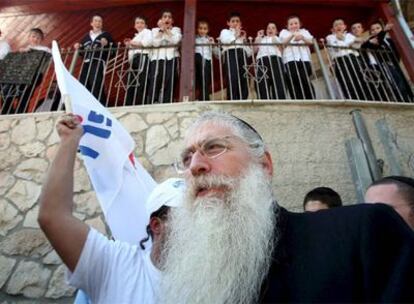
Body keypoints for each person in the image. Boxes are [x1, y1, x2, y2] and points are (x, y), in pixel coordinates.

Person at [159, 111, 414, 303]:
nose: (195, 165)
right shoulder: (192, 278)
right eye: (186, 157)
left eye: (213, 147)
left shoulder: (361, 231)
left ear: (264, 165)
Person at [37, 116, 185, 302]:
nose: (195, 224)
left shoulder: (210, 285)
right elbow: (53, 217)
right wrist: (69, 139)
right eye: (185, 217)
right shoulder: (115, 264)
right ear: (156, 225)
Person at [1, 28, 51, 115]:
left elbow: (49, 58)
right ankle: (8, 112)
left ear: (41, 40)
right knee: (7, 93)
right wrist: (21, 51)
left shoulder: (45, 49)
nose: (35, 39)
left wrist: (30, 51)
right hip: (20, 75)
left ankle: (21, 113)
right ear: (29, 37)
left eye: (38, 38)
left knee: (25, 95)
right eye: (33, 36)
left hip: (35, 74)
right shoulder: (23, 49)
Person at [362, 21, 413, 102]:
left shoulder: (389, 40)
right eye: (373, 30)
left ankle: (410, 99)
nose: (375, 30)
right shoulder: (371, 41)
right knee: (395, 84)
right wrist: (384, 30)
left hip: (394, 64)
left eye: (378, 28)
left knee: (403, 82)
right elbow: (377, 41)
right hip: (384, 65)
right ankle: (401, 100)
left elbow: (396, 51)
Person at [75, 14, 114, 105]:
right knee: (83, 83)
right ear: (91, 23)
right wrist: (78, 47)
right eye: (96, 21)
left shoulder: (106, 35)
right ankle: (86, 104)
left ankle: (100, 104)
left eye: (100, 21)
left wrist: (106, 44)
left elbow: (113, 49)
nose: (98, 23)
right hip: (87, 62)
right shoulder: (86, 37)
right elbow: (82, 53)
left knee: (96, 82)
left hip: (98, 61)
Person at [326, 18, 367, 100]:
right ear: (333, 29)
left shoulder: (349, 35)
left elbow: (357, 45)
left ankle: (364, 97)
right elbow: (336, 48)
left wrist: (345, 40)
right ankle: (352, 99)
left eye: (340, 24)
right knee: (346, 81)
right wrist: (347, 42)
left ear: (344, 26)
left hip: (352, 58)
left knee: (359, 78)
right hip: (340, 60)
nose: (338, 26)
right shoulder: (330, 37)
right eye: (336, 25)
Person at [147, 10, 182, 104]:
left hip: (172, 57)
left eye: (169, 17)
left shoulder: (176, 30)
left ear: (172, 21)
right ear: (161, 19)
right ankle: (153, 100)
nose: (167, 19)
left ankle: (168, 101)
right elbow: (155, 43)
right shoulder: (154, 30)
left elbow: (175, 41)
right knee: (156, 78)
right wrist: (161, 30)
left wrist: (166, 30)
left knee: (170, 79)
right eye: (165, 17)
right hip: (158, 58)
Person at [279, 15, 315, 99]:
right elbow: (282, 43)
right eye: (291, 24)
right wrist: (292, 35)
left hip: (304, 59)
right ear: (287, 26)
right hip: (290, 60)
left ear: (300, 24)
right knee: (293, 79)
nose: (293, 25)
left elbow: (311, 42)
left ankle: (310, 98)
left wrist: (302, 37)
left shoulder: (304, 31)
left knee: (304, 77)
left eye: (296, 23)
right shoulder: (284, 32)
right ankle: (297, 99)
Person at [219, 12, 252, 100]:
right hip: (231, 54)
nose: (235, 23)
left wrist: (244, 40)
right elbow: (225, 41)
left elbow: (249, 53)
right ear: (228, 23)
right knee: (232, 77)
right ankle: (232, 98)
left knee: (244, 77)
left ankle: (243, 99)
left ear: (240, 23)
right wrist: (236, 35)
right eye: (233, 21)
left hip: (242, 54)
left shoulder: (242, 34)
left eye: (237, 21)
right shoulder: (225, 31)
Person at [124, 16, 152, 106]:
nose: (139, 25)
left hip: (142, 57)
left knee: (142, 81)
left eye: (141, 23)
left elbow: (146, 43)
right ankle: (128, 103)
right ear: (135, 26)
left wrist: (131, 43)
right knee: (130, 81)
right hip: (133, 60)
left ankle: (141, 103)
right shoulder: (135, 36)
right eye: (137, 23)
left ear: (146, 25)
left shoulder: (147, 32)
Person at [254, 22, 286, 99]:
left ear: (277, 31)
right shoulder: (261, 39)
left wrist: (273, 36)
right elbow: (254, 50)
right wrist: (258, 37)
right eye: (268, 28)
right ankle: (264, 101)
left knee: (278, 82)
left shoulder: (278, 38)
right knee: (262, 83)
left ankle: (279, 101)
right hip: (262, 60)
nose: (270, 29)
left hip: (275, 59)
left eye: (273, 28)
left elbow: (281, 49)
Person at [195, 20, 214, 101]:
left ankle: (205, 98)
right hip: (197, 61)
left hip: (207, 60)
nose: (202, 30)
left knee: (206, 80)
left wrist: (213, 44)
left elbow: (217, 53)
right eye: (200, 28)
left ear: (208, 30)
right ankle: (198, 97)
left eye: (204, 29)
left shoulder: (209, 39)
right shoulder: (194, 38)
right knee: (199, 80)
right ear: (197, 29)